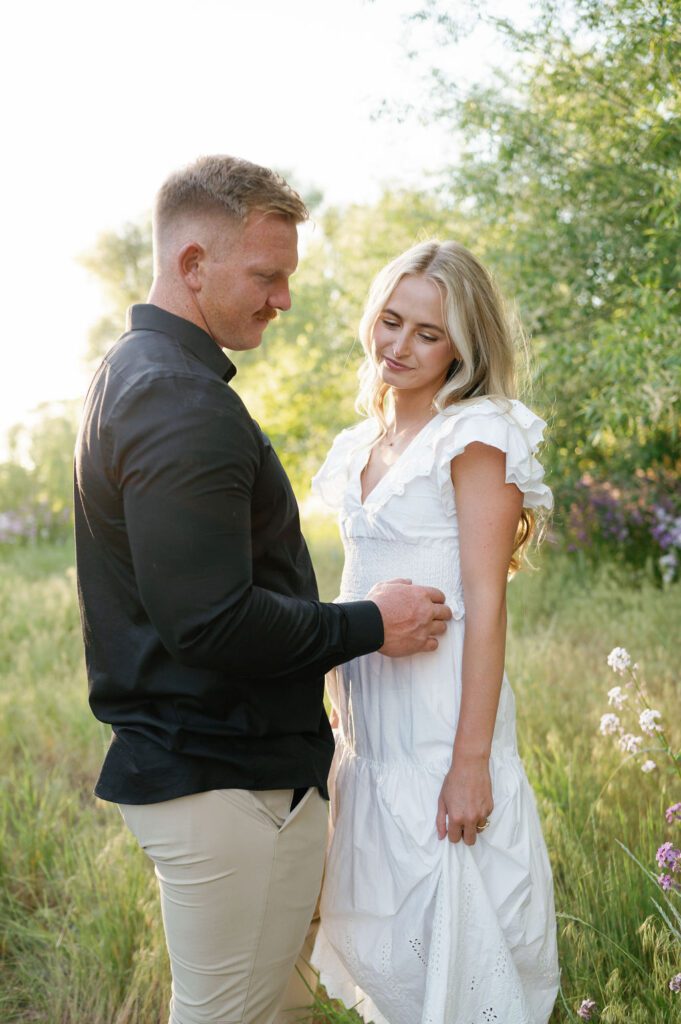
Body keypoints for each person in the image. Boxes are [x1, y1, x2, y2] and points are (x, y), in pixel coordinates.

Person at [73, 156, 453, 1024]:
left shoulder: (136, 373)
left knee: (275, 1007)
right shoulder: (177, 399)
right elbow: (210, 623)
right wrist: (371, 624)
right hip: (223, 783)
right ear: (193, 265)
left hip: (225, 771)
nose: (283, 298)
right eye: (267, 275)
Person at [310, 241, 560, 1024]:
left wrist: (470, 764)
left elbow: (486, 605)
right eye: (391, 322)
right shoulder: (359, 445)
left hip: (440, 731)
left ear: (463, 346)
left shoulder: (475, 436)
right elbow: (355, 588)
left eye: (428, 333)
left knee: (459, 952)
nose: (400, 346)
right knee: (391, 958)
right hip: (370, 741)